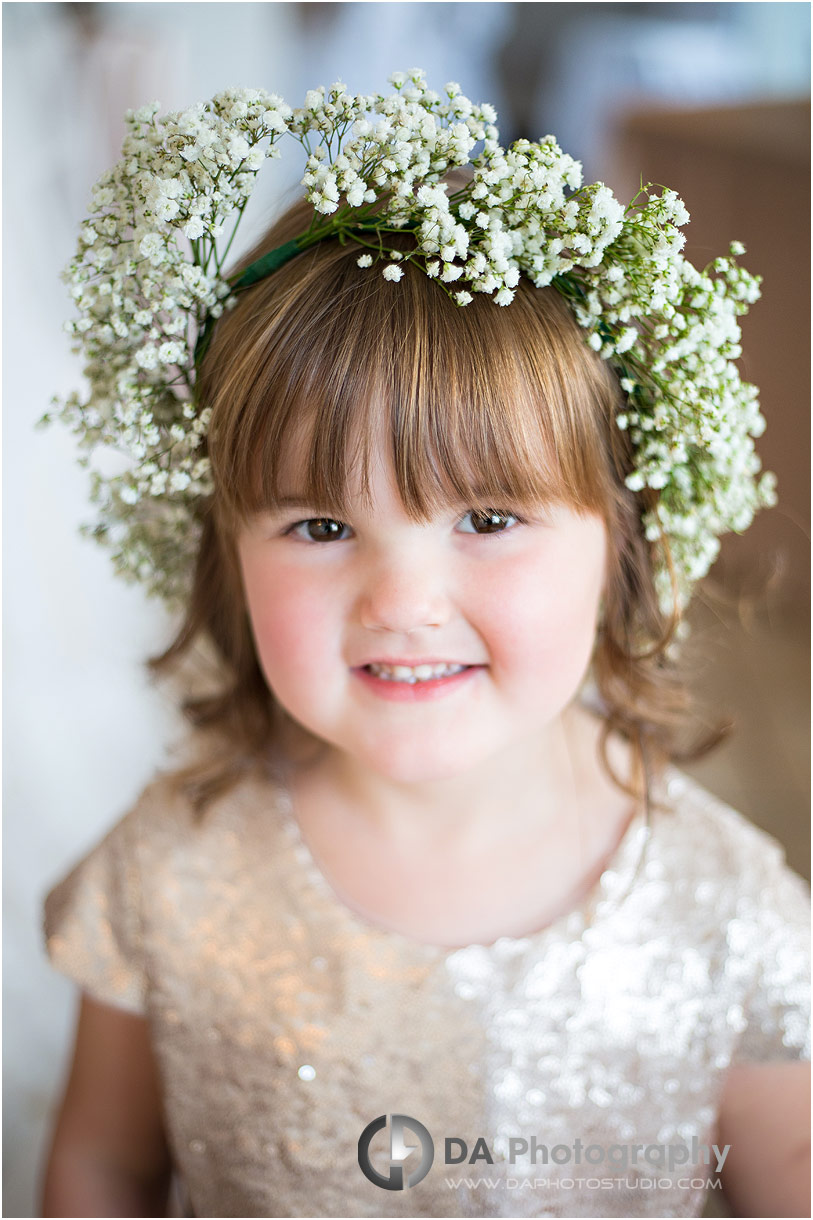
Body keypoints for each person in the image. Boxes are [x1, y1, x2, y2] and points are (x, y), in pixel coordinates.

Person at [40, 77, 809, 1218]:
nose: (401, 600)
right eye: (319, 525)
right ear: (228, 561)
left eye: (488, 520)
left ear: (621, 541)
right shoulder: (172, 872)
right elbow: (104, 1164)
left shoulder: (729, 906)